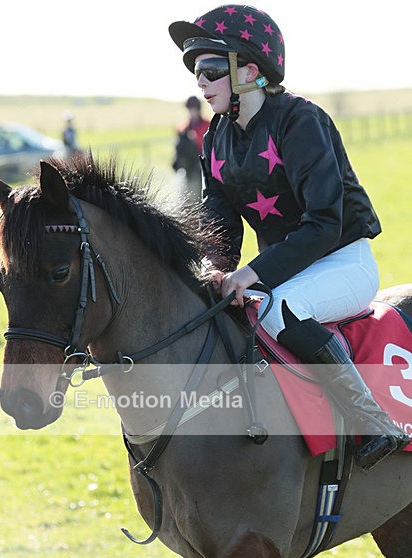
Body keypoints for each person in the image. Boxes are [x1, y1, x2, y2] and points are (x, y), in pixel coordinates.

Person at [168, 4, 410, 470]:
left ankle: (371, 421)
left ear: (252, 72)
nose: (201, 81)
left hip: (343, 262)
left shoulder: (300, 121)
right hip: (285, 270)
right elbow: (218, 219)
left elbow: (325, 224)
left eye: (212, 69)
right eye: (197, 71)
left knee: (281, 310)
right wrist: (216, 268)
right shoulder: (215, 138)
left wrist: (253, 274)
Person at [172, 96, 210, 202]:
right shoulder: (183, 127)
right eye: (190, 108)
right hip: (187, 169)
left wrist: (194, 140)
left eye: (194, 108)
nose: (192, 111)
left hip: (203, 167)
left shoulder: (208, 126)